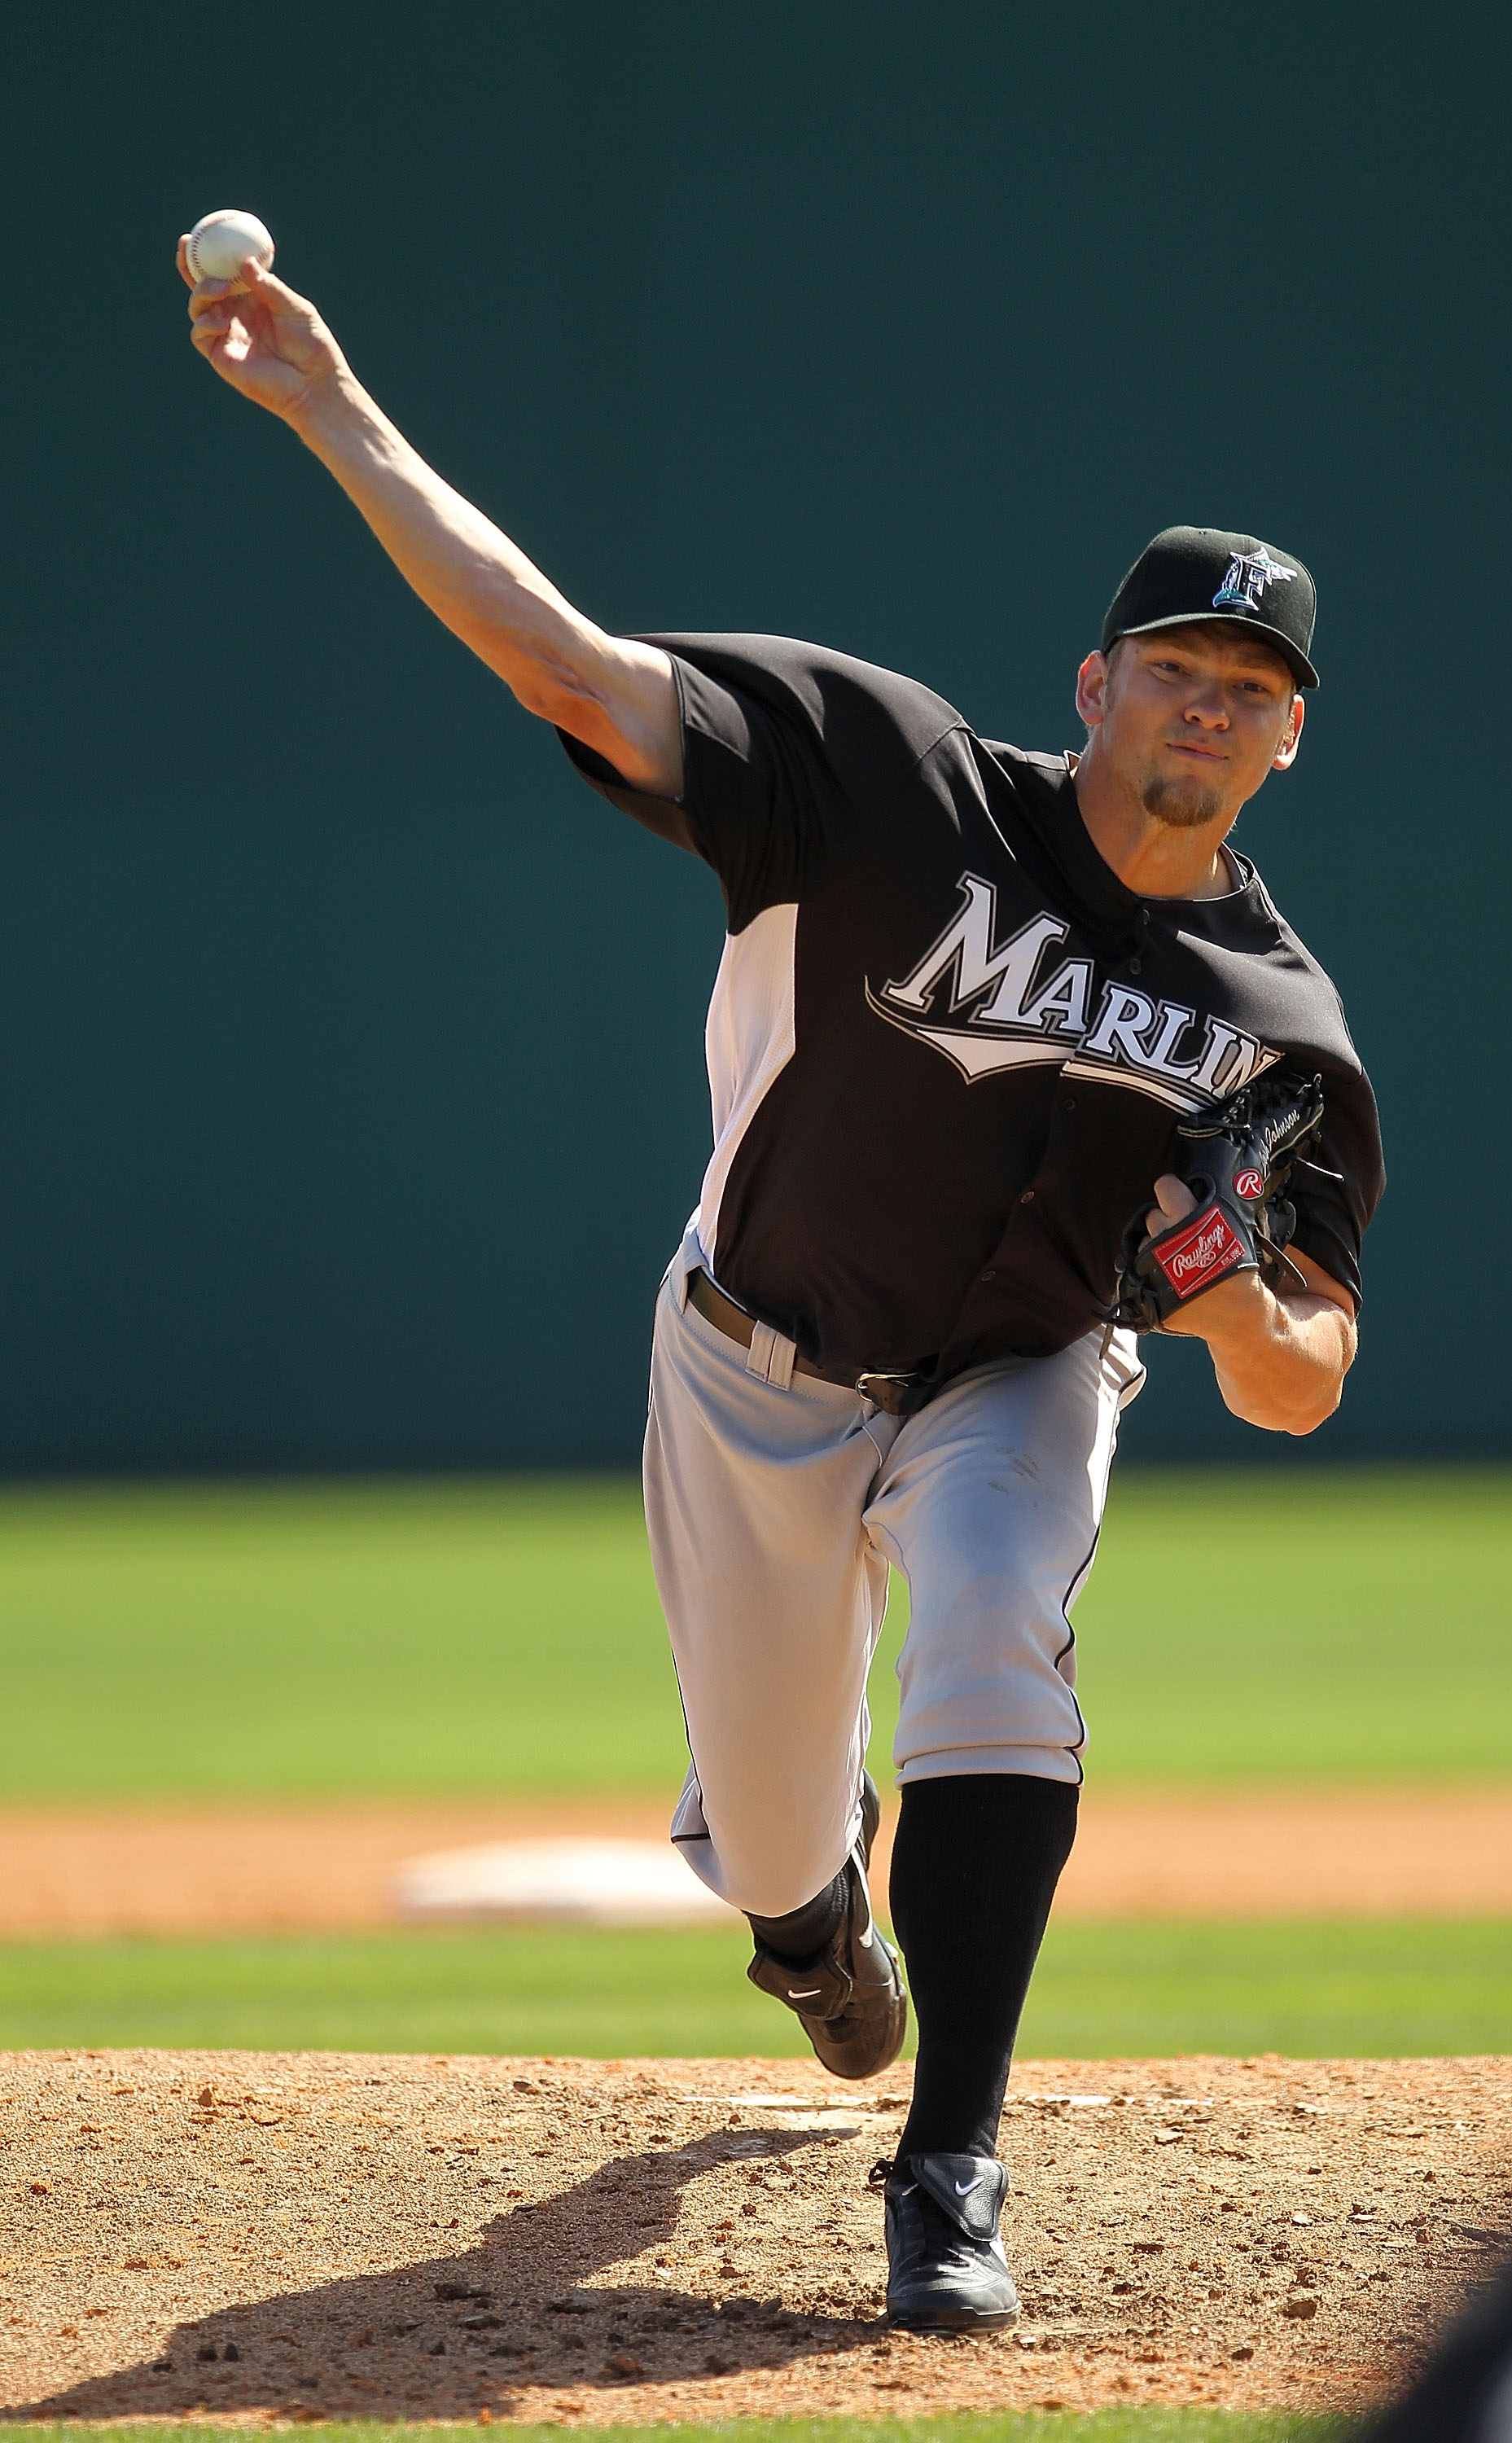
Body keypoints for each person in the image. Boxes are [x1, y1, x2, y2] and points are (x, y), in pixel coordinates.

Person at [179, 239, 1384, 2333]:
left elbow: (1302, 1383)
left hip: (1021, 1370)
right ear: (1092, 684)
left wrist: (1227, 1305)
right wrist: (329, 408)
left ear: (1288, 743)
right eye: (1178, 665)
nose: (1212, 703)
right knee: (760, 1837)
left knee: (999, 1623)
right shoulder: (885, 779)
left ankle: (953, 2169)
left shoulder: (1277, 1024)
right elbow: (566, 666)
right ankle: (807, 1911)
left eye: (1254, 690)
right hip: (755, 1360)